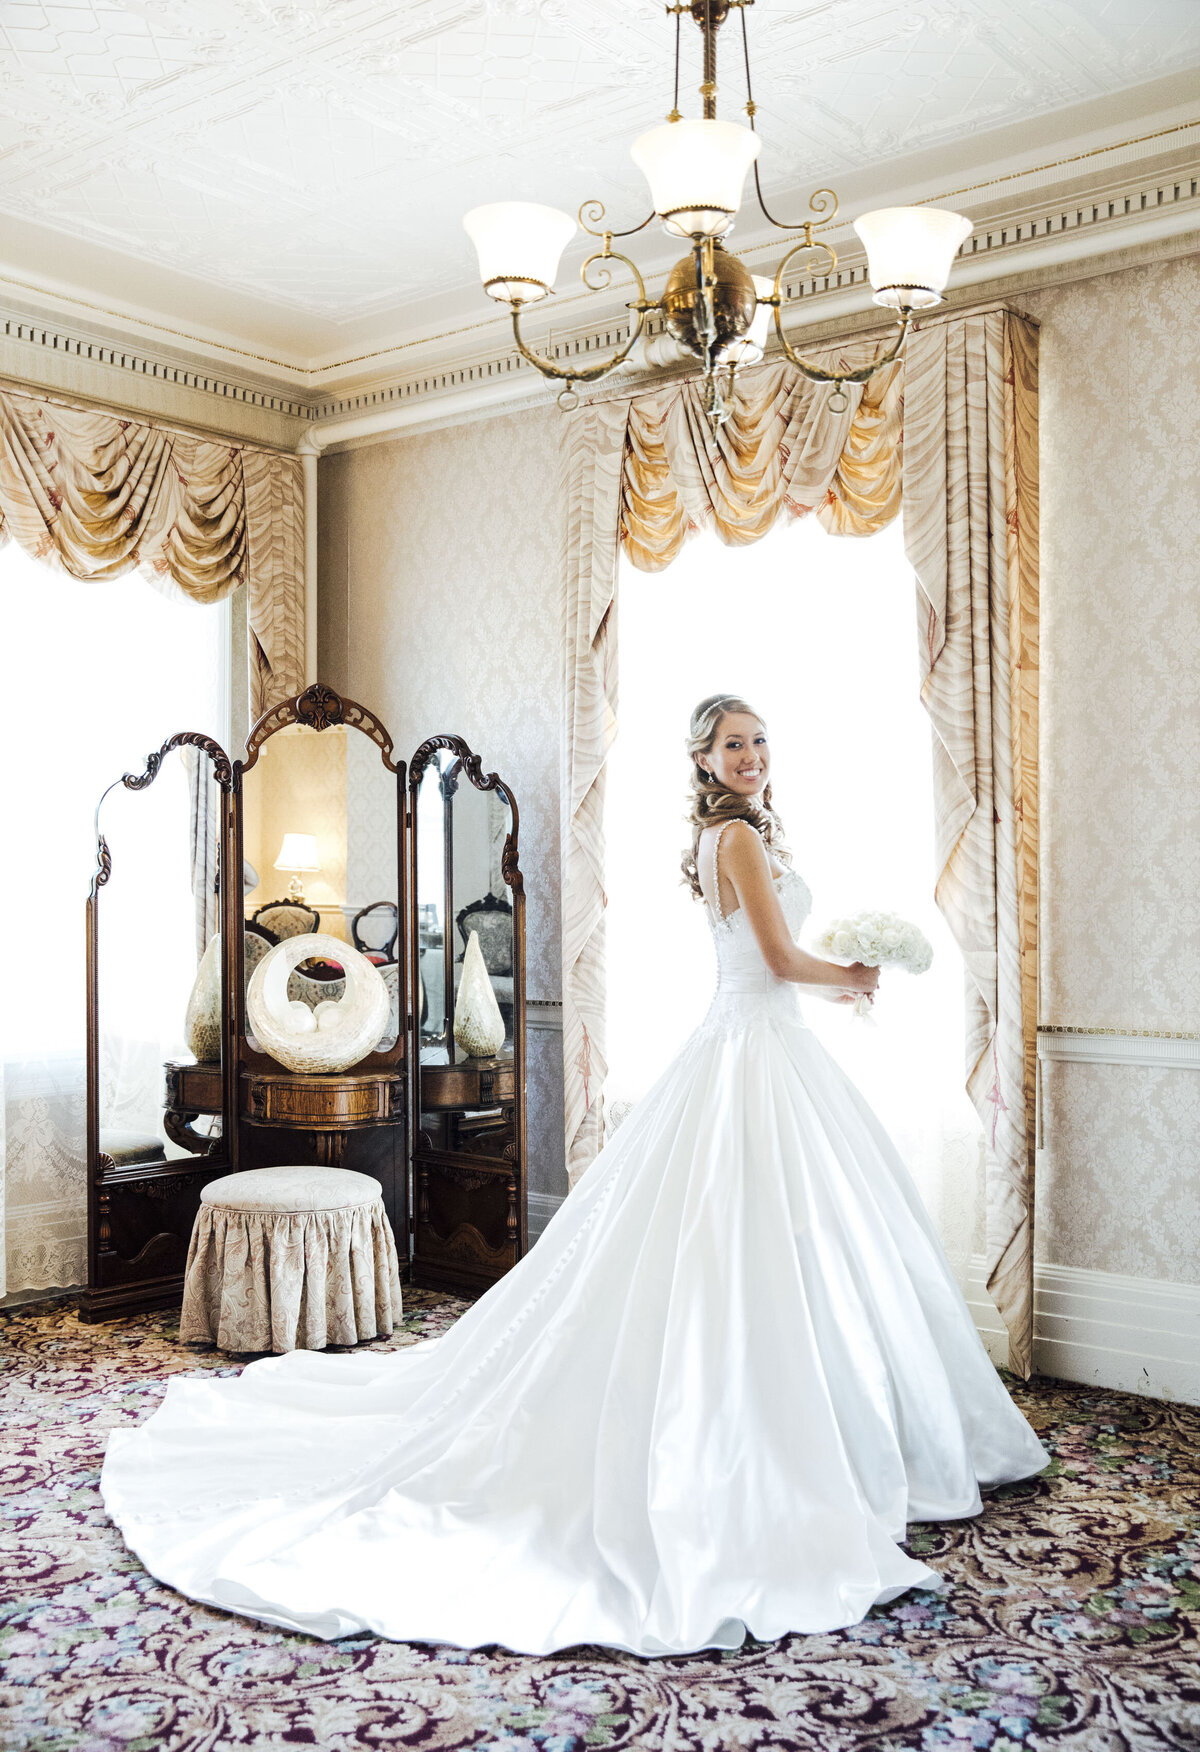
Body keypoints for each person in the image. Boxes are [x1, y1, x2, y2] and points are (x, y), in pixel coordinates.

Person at [101, 693, 1048, 1657]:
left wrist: (833, 980)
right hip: (754, 1047)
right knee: (758, 1238)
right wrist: (849, 975)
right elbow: (773, 956)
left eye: (760, 740)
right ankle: (783, 1438)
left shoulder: (738, 834)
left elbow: (764, 961)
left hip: (761, 1045)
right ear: (704, 760)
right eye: (734, 744)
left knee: (779, 1238)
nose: (753, 755)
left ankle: (816, 1419)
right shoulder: (735, 838)